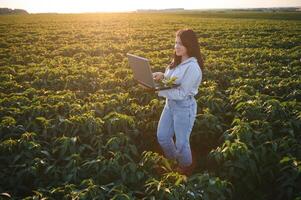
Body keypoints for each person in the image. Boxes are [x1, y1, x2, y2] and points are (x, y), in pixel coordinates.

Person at [152, 29, 204, 176]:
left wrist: (157, 91)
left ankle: (185, 168)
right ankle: (175, 161)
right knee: (163, 136)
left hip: (184, 107)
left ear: (190, 45)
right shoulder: (175, 62)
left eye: (181, 43)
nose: (176, 46)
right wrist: (161, 76)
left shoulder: (193, 67)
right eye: (175, 42)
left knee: (181, 143)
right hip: (170, 105)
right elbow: (170, 82)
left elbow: (181, 93)